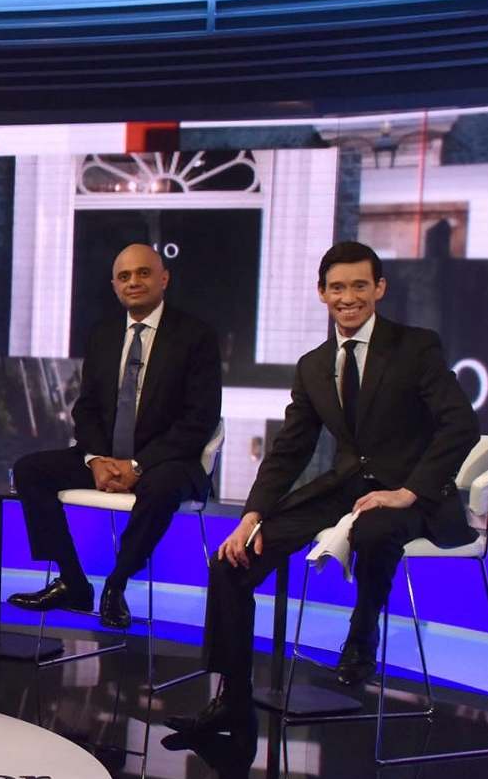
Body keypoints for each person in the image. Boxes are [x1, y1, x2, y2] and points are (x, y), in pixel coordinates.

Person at [171, 241, 476, 739]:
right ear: (321, 293)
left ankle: (361, 635)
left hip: (414, 496)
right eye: (337, 287)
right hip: (347, 488)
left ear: (379, 288)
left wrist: (408, 491)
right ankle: (232, 695)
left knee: (376, 529)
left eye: (359, 285)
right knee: (231, 561)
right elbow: (290, 449)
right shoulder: (314, 365)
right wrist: (252, 516)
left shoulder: (415, 346)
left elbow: (459, 426)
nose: (348, 297)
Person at [8, 243, 222, 629]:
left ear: (163, 279)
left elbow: (199, 420)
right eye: (124, 276)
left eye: (143, 273)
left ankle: (117, 584)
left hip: (168, 461)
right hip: (106, 458)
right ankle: (73, 582)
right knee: (29, 470)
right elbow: (86, 408)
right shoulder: (104, 335)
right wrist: (95, 461)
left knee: (161, 486)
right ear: (114, 285)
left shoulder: (196, 337)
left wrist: (138, 466)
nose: (133, 282)